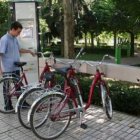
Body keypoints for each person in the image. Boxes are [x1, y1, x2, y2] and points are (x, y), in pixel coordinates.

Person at [0, 21, 36, 110]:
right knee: (7, 88)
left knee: (18, 86)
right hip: (7, 69)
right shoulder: (4, 39)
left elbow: (19, 49)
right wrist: (0, 69)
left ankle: (22, 103)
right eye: (18, 32)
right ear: (12, 29)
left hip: (15, 67)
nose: (19, 34)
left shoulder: (14, 38)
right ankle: (8, 106)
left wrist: (29, 51)